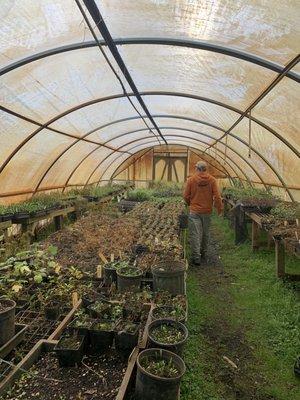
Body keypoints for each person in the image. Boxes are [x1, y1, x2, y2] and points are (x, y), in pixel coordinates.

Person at [183, 160, 223, 265]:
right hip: (207, 211)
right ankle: (203, 253)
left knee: (195, 234)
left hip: (194, 211)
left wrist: (189, 204)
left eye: (195, 167)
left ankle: (196, 258)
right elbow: (217, 196)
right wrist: (219, 209)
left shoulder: (191, 180)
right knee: (205, 233)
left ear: (197, 169)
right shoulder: (212, 180)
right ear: (206, 169)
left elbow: (186, 196)